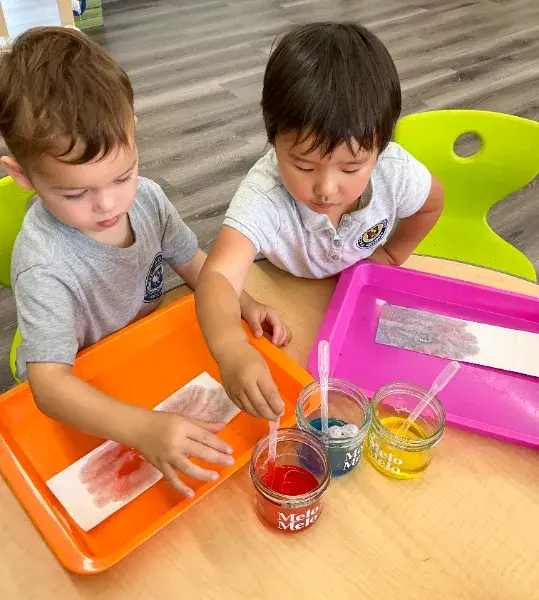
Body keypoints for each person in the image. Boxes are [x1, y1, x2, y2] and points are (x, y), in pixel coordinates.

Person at [0, 27, 290, 498]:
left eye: (123, 175)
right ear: (22, 175)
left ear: (133, 133)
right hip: (78, 385)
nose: (107, 205)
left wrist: (244, 302)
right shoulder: (44, 266)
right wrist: (143, 429)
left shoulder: (149, 200)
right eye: (76, 193)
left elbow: (192, 261)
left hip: (139, 352)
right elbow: (49, 386)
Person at [196, 22, 444, 422]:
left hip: (353, 300)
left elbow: (432, 203)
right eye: (303, 165)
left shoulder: (393, 172)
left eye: (352, 168)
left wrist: (394, 254)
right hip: (284, 286)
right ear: (273, 139)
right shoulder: (265, 194)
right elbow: (218, 277)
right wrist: (230, 347)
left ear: (380, 148)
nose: (326, 189)